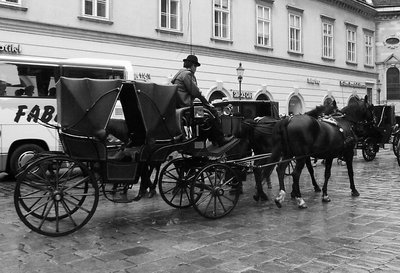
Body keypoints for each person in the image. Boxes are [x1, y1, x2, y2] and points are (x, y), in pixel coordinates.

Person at [171, 54, 232, 146]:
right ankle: (219, 139)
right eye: (195, 66)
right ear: (192, 65)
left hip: (182, 106)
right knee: (213, 112)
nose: (196, 69)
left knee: (208, 115)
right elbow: (196, 93)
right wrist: (207, 104)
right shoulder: (187, 74)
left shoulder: (180, 74)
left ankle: (212, 139)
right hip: (188, 107)